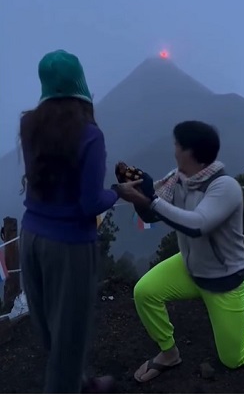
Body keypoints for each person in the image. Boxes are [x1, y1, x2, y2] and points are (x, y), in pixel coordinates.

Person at [114, 120, 244, 383]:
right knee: (144, 292)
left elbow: (197, 225)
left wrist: (150, 200)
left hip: (225, 281)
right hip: (190, 268)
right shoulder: (177, 179)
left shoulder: (226, 188)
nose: (174, 150)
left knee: (235, 358)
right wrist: (141, 193)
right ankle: (169, 353)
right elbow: (152, 213)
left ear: (191, 153)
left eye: (178, 145)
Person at [18, 49, 130, 393]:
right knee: (70, 336)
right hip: (69, 247)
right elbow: (89, 204)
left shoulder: (29, 125)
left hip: (30, 237)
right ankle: (71, 383)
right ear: (80, 82)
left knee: (51, 329)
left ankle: (81, 381)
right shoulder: (89, 134)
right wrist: (118, 192)